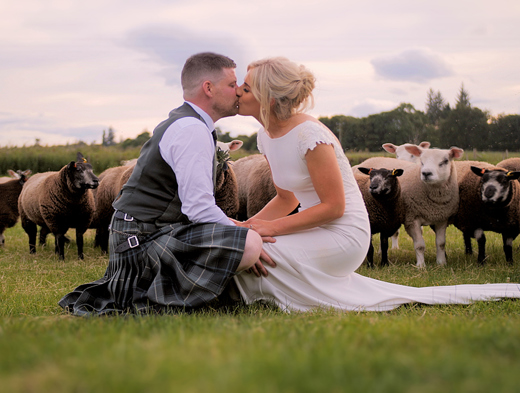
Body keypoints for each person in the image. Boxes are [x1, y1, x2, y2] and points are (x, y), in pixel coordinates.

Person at [232, 56, 520, 312]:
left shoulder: (309, 136)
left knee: (261, 250)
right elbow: (286, 199)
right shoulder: (266, 136)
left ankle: (239, 296)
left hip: (344, 235)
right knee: (246, 245)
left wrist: (268, 229)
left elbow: (334, 207)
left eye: (245, 89)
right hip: (311, 227)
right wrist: (248, 226)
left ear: (268, 97)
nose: (237, 92)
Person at [59, 52, 274, 316]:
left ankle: (187, 290)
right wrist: (241, 231)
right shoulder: (191, 129)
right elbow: (199, 209)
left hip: (144, 232)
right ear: (208, 88)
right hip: (142, 239)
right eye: (232, 85)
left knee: (243, 238)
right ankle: (161, 300)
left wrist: (235, 230)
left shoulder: (190, 123)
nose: (238, 92)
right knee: (250, 243)